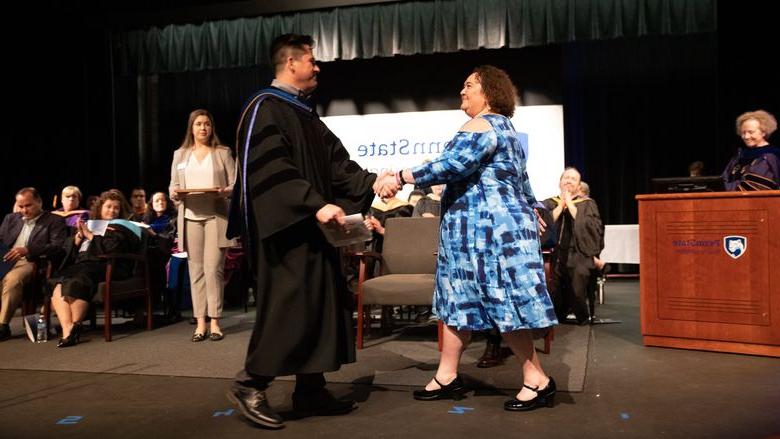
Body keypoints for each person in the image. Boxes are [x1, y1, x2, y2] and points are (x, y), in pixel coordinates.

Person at [375, 65, 558, 412]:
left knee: (504, 305)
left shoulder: (481, 125)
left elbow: (449, 165)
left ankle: (538, 380)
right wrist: (532, 207)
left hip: (489, 236)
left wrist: (399, 176)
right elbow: (523, 182)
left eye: (469, 85)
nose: (463, 91)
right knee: (458, 302)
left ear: (488, 94)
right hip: (479, 233)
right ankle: (447, 375)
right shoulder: (508, 132)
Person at [226, 33, 378, 429]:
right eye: (312, 59)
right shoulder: (265, 108)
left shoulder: (304, 114)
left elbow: (337, 165)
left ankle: (310, 389)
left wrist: (376, 184)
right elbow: (272, 172)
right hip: (285, 232)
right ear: (291, 63)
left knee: (321, 303)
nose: (317, 66)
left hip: (312, 231)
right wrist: (314, 203)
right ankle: (250, 382)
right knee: (292, 307)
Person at [169, 109, 236, 342]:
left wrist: (224, 191)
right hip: (190, 217)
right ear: (192, 128)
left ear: (211, 127)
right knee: (195, 271)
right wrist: (175, 194)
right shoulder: (181, 155)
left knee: (213, 270)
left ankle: (215, 322)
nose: (203, 128)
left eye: (207, 124)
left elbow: (235, 185)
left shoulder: (222, 153)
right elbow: (173, 186)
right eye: (198, 124)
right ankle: (200, 323)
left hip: (216, 217)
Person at [47, 190, 141, 347]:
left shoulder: (122, 227)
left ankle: (73, 327)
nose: (112, 210)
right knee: (57, 281)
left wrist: (91, 236)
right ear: (100, 208)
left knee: (78, 279)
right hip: (83, 265)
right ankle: (69, 329)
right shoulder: (89, 224)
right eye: (108, 206)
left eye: (116, 208)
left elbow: (114, 249)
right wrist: (78, 238)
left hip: (110, 266)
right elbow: (69, 252)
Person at [0, 187, 67, 341]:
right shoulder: (11, 218)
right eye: (21, 206)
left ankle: (2, 325)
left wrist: (28, 250)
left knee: (12, 280)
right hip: (6, 260)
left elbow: (58, 246)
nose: (24, 210)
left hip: (32, 261)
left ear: (39, 202)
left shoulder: (54, 220)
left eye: (28, 205)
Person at [542, 168, 604, 325]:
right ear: (559, 182)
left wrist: (569, 204)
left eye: (573, 179)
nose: (569, 180)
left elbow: (591, 226)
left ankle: (581, 315)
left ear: (579, 186)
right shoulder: (549, 203)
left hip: (579, 253)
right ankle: (556, 315)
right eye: (566, 178)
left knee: (577, 283)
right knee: (551, 286)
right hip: (553, 253)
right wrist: (560, 206)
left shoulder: (587, 204)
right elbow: (542, 224)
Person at [722, 110, 779, 191]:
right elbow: (724, 178)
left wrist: (722, 188)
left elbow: (753, 187)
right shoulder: (740, 155)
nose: (746, 137)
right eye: (743, 132)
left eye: (751, 132)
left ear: (763, 132)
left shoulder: (769, 156)